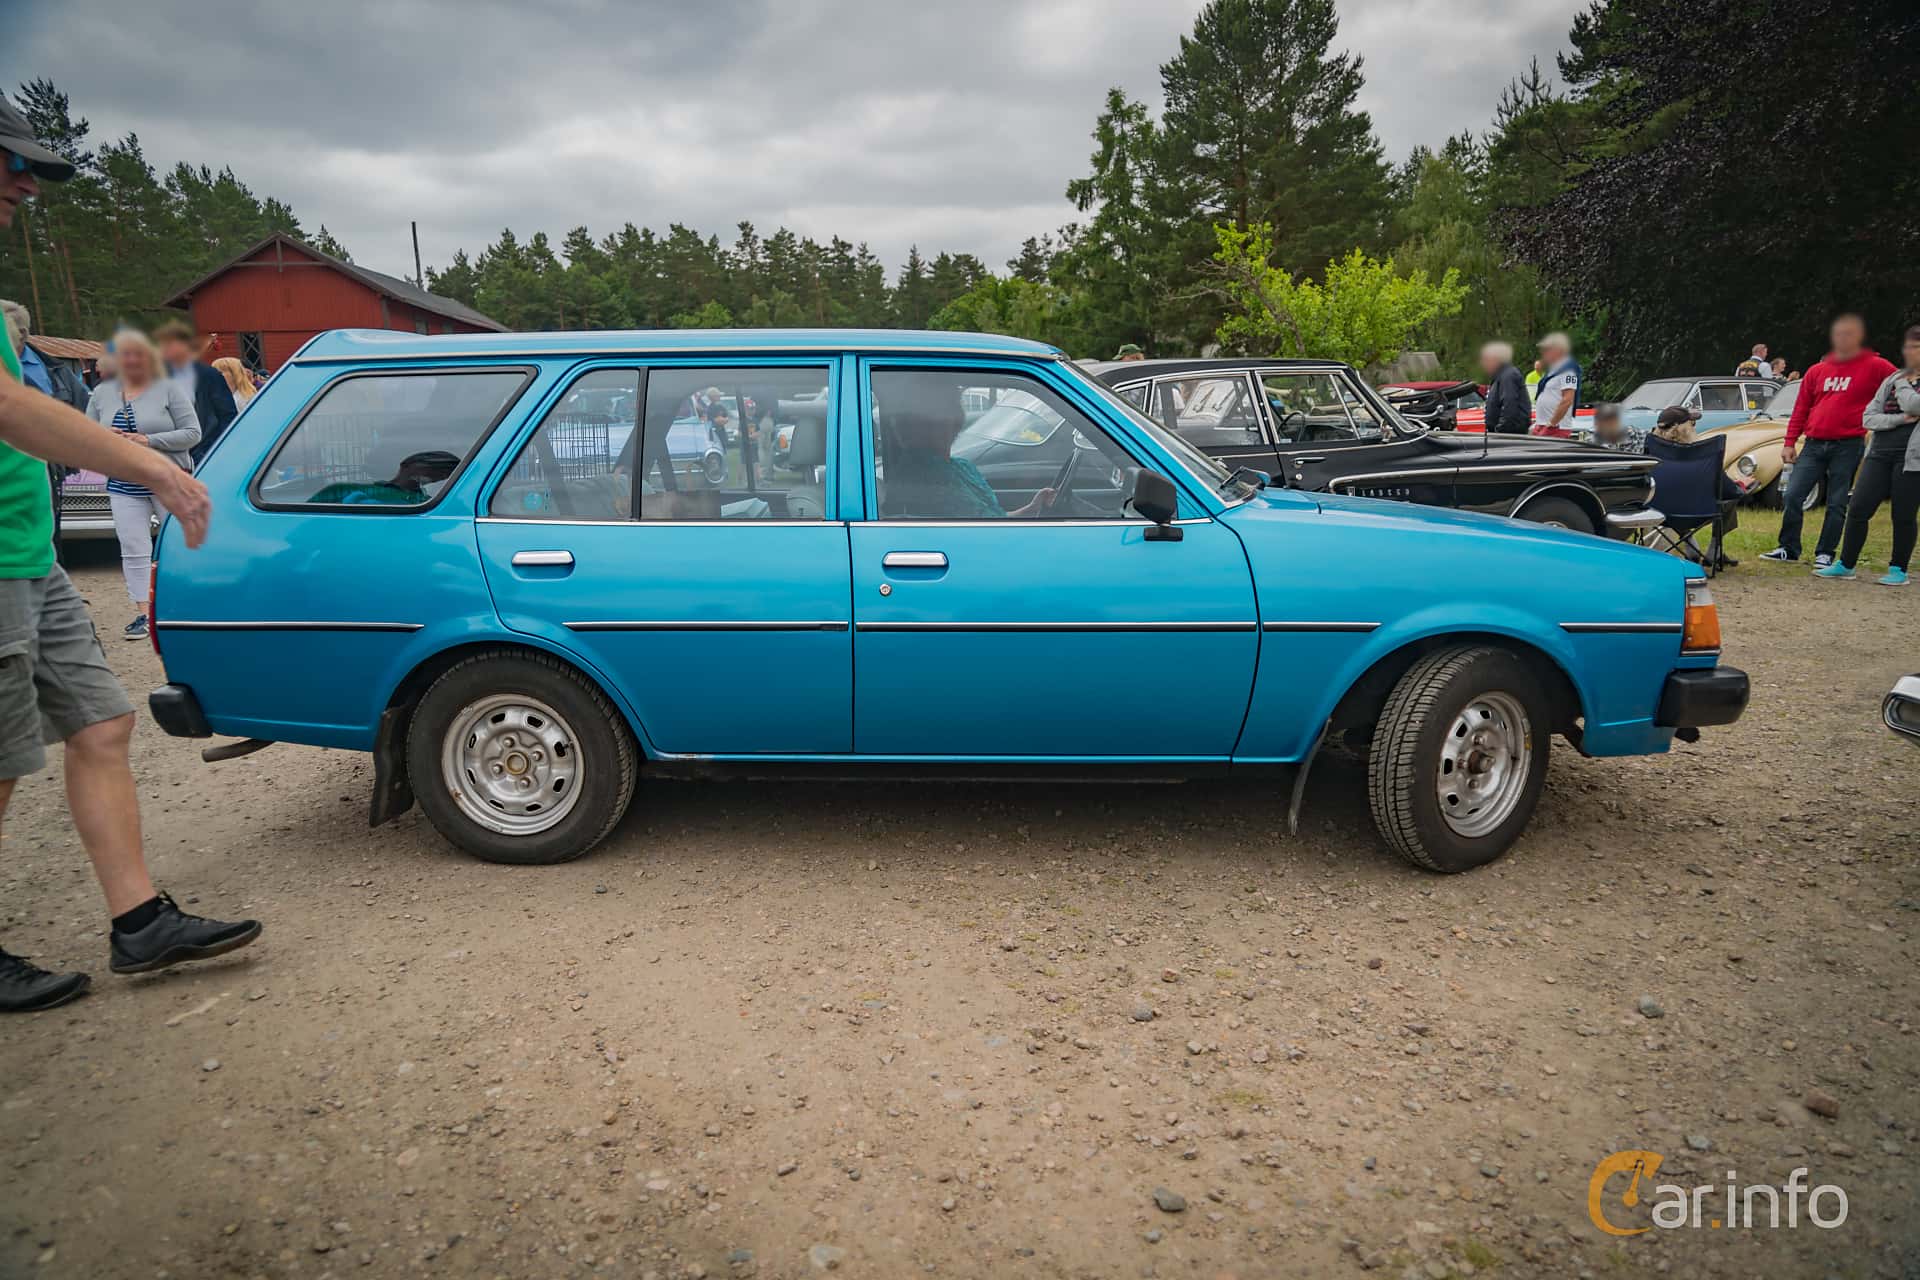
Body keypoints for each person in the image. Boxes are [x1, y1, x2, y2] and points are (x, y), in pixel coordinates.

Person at [1, 110, 260, 1013]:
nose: (27, 186)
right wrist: (154, 468)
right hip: (2, 560)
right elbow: (10, 408)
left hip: (28, 554)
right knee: (0, 763)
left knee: (103, 727)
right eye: (14, 166)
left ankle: (139, 922)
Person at [85, 329, 200, 640]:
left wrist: (148, 440)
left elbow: (193, 433)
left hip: (167, 478)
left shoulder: (169, 390)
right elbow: (87, 434)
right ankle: (144, 613)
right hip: (124, 482)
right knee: (133, 547)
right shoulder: (101, 394)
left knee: (177, 543)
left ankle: (185, 606)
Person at [1760, 313, 1896, 566]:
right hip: (1813, 443)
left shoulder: (1875, 365)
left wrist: (1891, 416)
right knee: (1792, 495)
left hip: (1848, 443)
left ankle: (1826, 551)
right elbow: (1801, 408)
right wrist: (1790, 442)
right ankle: (1788, 547)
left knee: (1836, 500)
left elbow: (1900, 383)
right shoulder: (1818, 370)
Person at [1815, 324, 1920, 585]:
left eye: (1916, 347)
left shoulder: (1898, 380)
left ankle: (1898, 569)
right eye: (1908, 347)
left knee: (1903, 514)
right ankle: (1846, 564)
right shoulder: (1892, 379)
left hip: (1911, 457)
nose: (1910, 352)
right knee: (1859, 507)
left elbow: (1914, 404)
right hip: (1879, 453)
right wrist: (1899, 419)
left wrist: (1904, 385)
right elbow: (1869, 417)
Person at [153, 318, 237, 467]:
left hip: (203, 453)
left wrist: (215, 450)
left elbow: (228, 415)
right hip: (166, 454)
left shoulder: (208, 375)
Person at [1530, 332, 1580, 437]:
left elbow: (1567, 400)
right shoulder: (1553, 369)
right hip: (1543, 425)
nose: (1543, 352)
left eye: (1546, 349)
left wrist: (1552, 423)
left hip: (1556, 427)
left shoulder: (1568, 369)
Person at [1477, 341, 1530, 435]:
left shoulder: (1508, 375)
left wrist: (1501, 431)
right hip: (1504, 434)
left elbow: (1509, 405)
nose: (1484, 364)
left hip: (1509, 435)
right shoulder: (1500, 376)